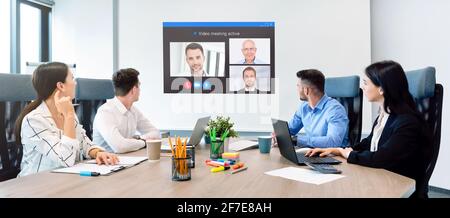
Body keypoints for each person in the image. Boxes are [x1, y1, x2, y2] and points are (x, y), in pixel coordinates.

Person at [305, 60, 430, 197]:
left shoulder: (407, 122)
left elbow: (381, 158)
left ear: (381, 88)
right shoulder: (385, 115)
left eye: (366, 83)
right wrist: (338, 151)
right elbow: (369, 142)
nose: (363, 88)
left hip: (395, 189)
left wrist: (347, 154)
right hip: (379, 179)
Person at [15, 62, 118, 177]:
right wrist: (68, 115)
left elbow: (84, 143)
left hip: (65, 179)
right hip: (37, 185)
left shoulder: (68, 113)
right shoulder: (34, 120)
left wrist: (98, 152)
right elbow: (66, 158)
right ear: (61, 86)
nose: (75, 83)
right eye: (72, 78)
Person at [93, 68, 160, 153]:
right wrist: (144, 142)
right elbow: (120, 146)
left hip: (128, 160)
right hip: (106, 164)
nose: (140, 90)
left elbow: (156, 133)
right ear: (134, 89)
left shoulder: (133, 110)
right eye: (139, 86)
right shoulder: (105, 112)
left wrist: (137, 138)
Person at [285, 69, 349, 148]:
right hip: (312, 154)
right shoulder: (303, 107)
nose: (297, 89)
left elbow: (333, 142)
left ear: (306, 90)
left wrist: (296, 140)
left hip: (334, 157)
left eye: (298, 86)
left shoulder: (335, 110)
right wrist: (279, 135)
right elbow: (290, 130)